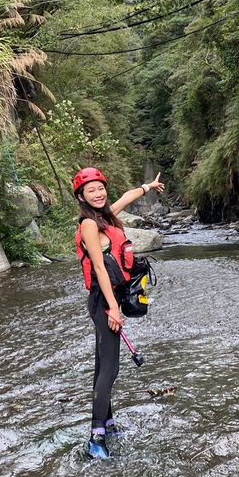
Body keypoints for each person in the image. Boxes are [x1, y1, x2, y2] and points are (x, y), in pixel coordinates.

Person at [73, 167, 165, 459]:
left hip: (107, 299)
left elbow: (125, 198)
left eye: (101, 188)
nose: (98, 194)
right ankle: (96, 437)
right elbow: (99, 267)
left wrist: (146, 186)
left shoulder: (105, 216)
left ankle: (108, 424)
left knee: (104, 366)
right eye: (91, 191)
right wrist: (113, 308)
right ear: (81, 196)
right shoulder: (89, 224)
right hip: (103, 301)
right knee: (110, 368)